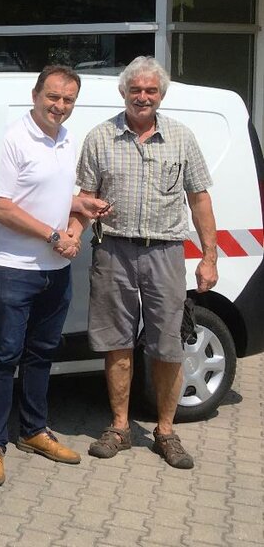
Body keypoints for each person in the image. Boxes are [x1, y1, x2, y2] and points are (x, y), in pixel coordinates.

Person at [76, 56, 218, 470]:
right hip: (114, 250)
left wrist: (209, 258)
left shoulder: (181, 137)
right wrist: (72, 233)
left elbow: (200, 199)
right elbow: (84, 196)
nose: (142, 97)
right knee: (116, 340)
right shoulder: (100, 137)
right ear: (123, 92)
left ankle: (166, 432)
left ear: (161, 94)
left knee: (168, 343)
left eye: (150, 91)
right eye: (135, 89)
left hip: (166, 252)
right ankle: (120, 427)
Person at [0, 66, 108, 486]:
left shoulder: (68, 140)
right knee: (3, 356)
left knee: (41, 355)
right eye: (53, 97)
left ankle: (34, 431)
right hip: (14, 268)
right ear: (35, 95)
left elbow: (58, 196)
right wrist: (54, 235)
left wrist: (77, 222)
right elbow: (1, 206)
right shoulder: (13, 139)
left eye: (68, 100)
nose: (60, 106)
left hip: (57, 270)